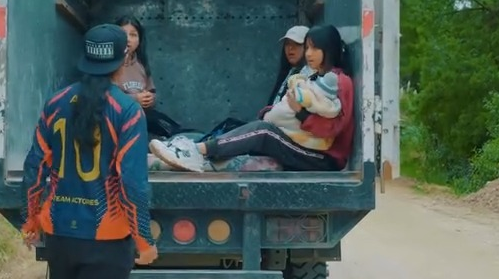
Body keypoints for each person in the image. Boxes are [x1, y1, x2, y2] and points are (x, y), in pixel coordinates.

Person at [19, 23, 158, 279]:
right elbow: (133, 184)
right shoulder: (127, 111)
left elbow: (34, 167)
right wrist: (143, 240)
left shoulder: (56, 102)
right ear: (121, 62)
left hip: (60, 231)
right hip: (108, 236)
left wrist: (31, 220)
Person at [150, 24, 354, 174]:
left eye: (314, 48)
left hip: (323, 158)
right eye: (307, 48)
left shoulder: (339, 81)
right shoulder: (311, 76)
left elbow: (333, 128)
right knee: (253, 128)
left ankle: (196, 151)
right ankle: (193, 152)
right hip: (305, 147)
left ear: (329, 49)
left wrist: (298, 112)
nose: (308, 53)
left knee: (264, 132)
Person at [113, 15, 156, 111]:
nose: (128, 39)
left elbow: (151, 91)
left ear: (139, 40)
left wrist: (150, 99)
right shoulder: (109, 64)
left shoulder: (141, 64)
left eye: (133, 35)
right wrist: (134, 99)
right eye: (123, 34)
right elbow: (106, 97)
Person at [266, 24, 309, 107]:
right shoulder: (288, 71)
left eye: (297, 44)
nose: (290, 48)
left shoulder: (310, 76)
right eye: (287, 44)